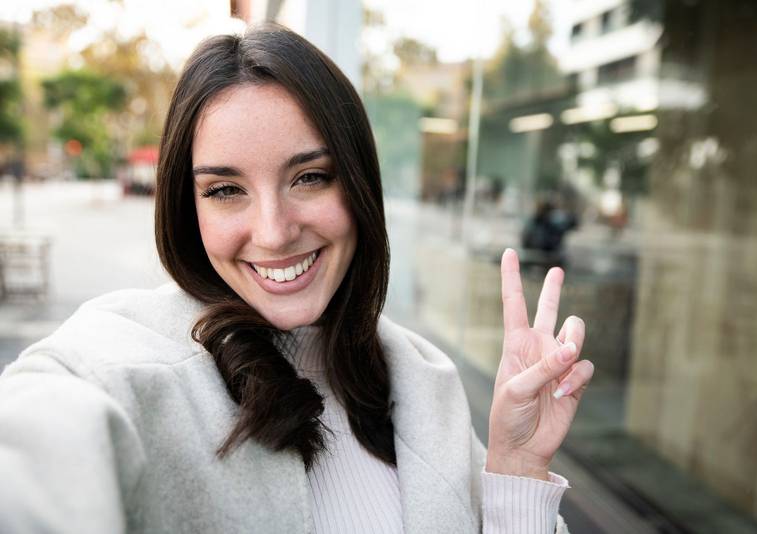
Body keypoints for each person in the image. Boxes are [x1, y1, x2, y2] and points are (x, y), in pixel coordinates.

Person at [0, 24, 593, 533]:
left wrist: (516, 465)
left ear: (358, 184)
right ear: (189, 209)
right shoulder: (125, 361)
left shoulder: (421, 383)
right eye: (226, 190)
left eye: (309, 177)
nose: (274, 231)